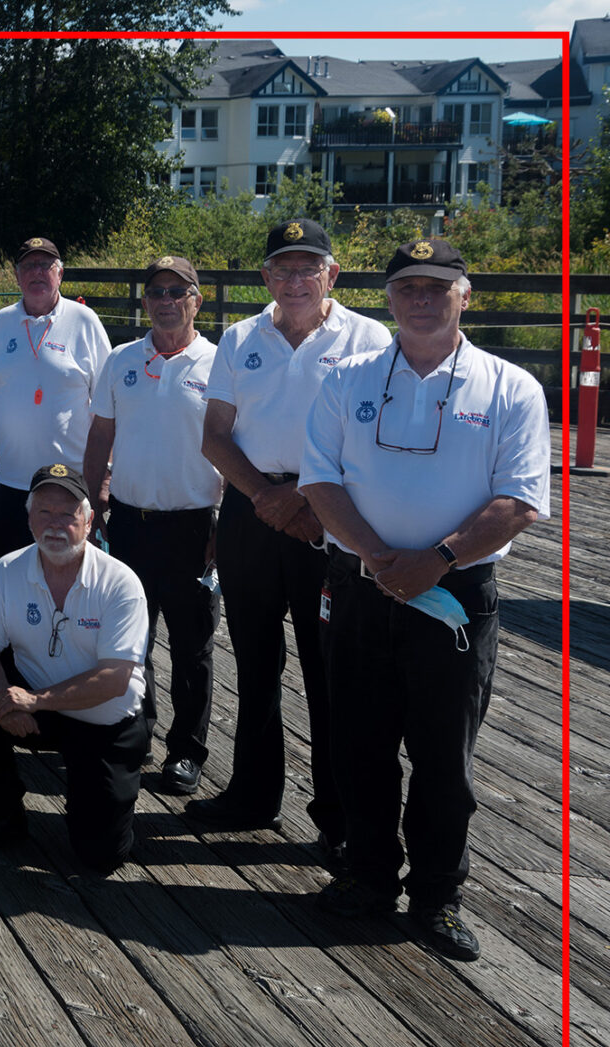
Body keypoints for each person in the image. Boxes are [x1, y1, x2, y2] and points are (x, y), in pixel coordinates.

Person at [298, 237, 548, 961]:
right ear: (388, 298)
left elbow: (520, 500)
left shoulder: (510, 387)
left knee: (444, 756)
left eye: (438, 287)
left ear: (465, 296)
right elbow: (319, 479)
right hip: (361, 585)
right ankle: (368, 876)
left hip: (455, 596)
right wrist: (378, 559)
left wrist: (435, 561)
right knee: (359, 744)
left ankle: (438, 897)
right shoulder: (347, 378)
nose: (422, 299)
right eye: (408, 286)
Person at [189, 218, 393, 860]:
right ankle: (252, 794)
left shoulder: (369, 338)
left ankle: (337, 814)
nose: (296, 280)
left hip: (329, 517)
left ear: (333, 274)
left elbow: (371, 440)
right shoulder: (240, 337)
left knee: (331, 668)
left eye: (309, 268)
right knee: (254, 662)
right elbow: (214, 434)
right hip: (252, 510)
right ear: (266, 276)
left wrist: (305, 501)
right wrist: (264, 498)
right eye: (284, 268)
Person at [0, 465, 152, 873]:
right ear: (29, 518)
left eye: (67, 514)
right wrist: (3, 700)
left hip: (106, 724)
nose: (55, 525)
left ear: (89, 520)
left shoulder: (120, 583)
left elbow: (114, 679)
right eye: (44, 513)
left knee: (100, 857)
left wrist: (33, 701)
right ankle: (7, 814)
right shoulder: (8, 570)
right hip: (42, 711)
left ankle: (108, 800)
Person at [84, 255, 222, 798]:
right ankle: (135, 732)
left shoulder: (220, 362)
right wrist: (93, 503)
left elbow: (239, 444)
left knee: (192, 647)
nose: (166, 301)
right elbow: (100, 436)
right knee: (129, 640)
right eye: (156, 292)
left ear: (196, 300)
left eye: (177, 291)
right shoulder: (121, 360)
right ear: (144, 301)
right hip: (130, 524)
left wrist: (224, 525)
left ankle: (186, 751)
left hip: (195, 528)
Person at [0, 235, 112, 566]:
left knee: (70, 579)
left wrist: (105, 475)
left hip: (70, 485)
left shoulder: (84, 321)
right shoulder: (1, 322)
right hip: (8, 482)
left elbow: (108, 406)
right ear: (17, 275)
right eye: (29, 266)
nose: (37, 272)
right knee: (7, 572)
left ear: (60, 273)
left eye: (45, 265)